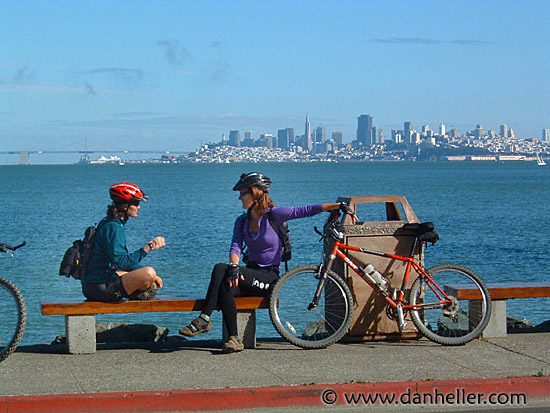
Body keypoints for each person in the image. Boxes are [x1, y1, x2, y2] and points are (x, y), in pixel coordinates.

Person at [179, 172, 347, 353]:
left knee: (221, 269)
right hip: (250, 275)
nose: (239, 197)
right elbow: (235, 246)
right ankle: (234, 339)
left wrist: (335, 206)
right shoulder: (241, 221)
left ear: (256, 193)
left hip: (269, 279)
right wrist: (235, 266)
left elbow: (303, 210)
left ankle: (204, 318)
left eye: (243, 193)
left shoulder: (274, 215)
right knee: (225, 284)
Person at [82, 182, 166, 302]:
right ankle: (137, 292)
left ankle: (138, 290)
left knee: (147, 275)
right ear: (125, 205)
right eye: (136, 203)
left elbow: (122, 261)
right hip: (98, 287)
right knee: (149, 273)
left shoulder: (111, 223)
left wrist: (151, 275)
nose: (139, 207)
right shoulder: (113, 227)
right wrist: (149, 247)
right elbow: (122, 261)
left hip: (95, 283)